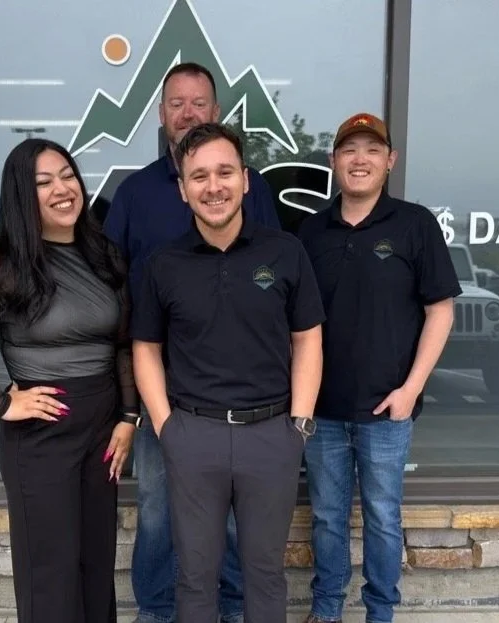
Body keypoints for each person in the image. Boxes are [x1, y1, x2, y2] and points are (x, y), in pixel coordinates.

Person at [0, 138, 139, 623]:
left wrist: (128, 416)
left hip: (103, 430)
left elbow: (122, 344)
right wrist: (1, 403)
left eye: (67, 175)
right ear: (23, 194)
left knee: (95, 563)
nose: (63, 189)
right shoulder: (7, 263)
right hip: (41, 435)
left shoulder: (104, 255)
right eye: (44, 182)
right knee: (50, 571)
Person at [102, 61, 281, 623]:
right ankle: (157, 609)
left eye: (198, 102)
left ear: (216, 111)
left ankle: (228, 607)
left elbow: (277, 278)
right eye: (176, 103)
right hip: (164, 395)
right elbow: (109, 287)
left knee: (228, 514)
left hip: (241, 396)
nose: (187, 112)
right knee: (156, 507)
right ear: (161, 114)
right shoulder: (133, 194)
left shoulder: (250, 187)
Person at [131, 121, 324, 622]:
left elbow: (307, 338)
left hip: (272, 435)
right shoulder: (163, 263)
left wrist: (299, 425)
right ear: (183, 189)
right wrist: (166, 427)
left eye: (223, 172)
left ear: (245, 179)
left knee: (264, 574)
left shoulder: (285, 251)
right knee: (195, 577)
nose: (212, 186)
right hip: (193, 434)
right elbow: (145, 347)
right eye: (198, 176)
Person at [297, 113, 461, 623]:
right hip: (322, 411)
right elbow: (296, 324)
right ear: (333, 162)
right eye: (349, 150)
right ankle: (326, 612)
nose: (360, 159)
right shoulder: (310, 232)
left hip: (388, 408)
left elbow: (441, 310)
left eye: (372, 149)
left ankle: (380, 614)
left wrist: (411, 389)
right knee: (326, 519)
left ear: (390, 160)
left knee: (383, 519)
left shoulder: (415, 225)